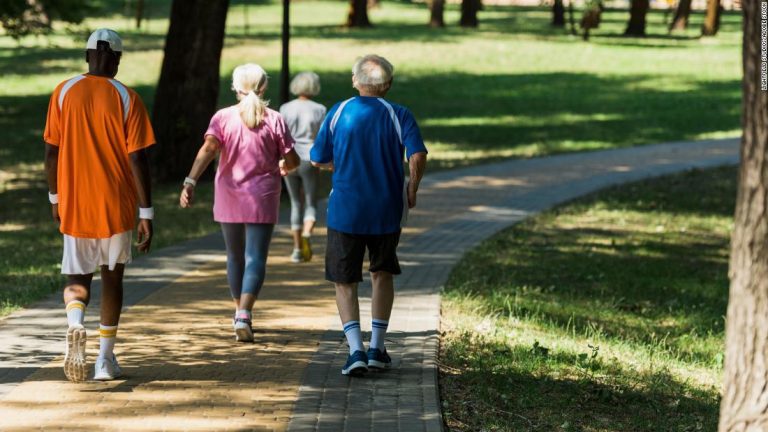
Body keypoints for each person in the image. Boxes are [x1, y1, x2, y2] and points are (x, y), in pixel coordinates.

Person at [43, 28, 156, 382]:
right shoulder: (127, 97)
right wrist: (146, 212)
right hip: (116, 205)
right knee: (112, 277)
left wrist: (55, 197)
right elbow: (138, 158)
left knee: (77, 276)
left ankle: (75, 323)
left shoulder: (63, 92)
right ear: (116, 60)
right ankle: (105, 360)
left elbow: (51, 151)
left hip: (75, 203)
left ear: (87, 55)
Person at [310, 54, 428, 376]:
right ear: (387, 84)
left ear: (354, 81)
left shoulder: (339, 112)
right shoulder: (399, 114)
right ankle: (378, 346)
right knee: (382, 274)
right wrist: (412, 188)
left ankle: (355, 351)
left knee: (344, 280)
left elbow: (318, 158)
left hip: (345, 210)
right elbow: (417, 154)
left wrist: (337, 165)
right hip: (387, 208)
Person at [179, 63, 299, 343]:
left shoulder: (222, 118)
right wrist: (285, 165)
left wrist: (190, 181)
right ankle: (244, 313)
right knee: (255, 257)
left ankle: (239, 313)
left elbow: (209, 149)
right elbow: (292, 160)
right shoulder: (274, 119)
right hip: (263, 196)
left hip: (229, 194)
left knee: (234, 256)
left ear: (235, 88)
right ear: (264, 87)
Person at [279, 72, 327, 263]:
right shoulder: (320, 109)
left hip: (290, 158)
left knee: (295, 203)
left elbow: (280, 135)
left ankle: (297, 248)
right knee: (310, 201)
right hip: (309, 158)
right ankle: (308, 232)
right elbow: (323, 138)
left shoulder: (285, 108)